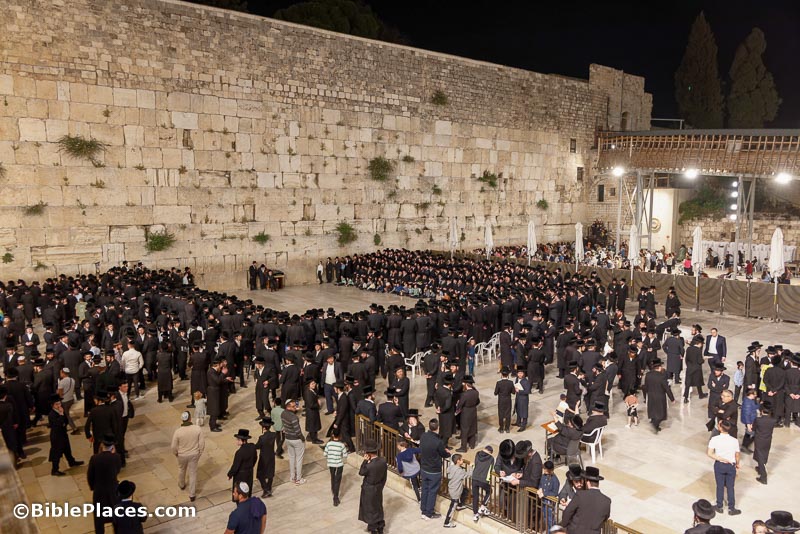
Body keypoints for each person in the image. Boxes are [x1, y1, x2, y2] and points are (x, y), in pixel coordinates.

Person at [87, 433, 122, 534]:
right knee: (115, 515)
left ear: (102, 445)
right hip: (113, 490)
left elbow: (90, 475)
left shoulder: (94, 458)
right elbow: (118, 470)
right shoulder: (116, 457)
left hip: (99, 491)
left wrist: (93, 487)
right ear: (113, 446)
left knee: (99, 518)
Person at [560, 466, 611, 534]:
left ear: (587, 482)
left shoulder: (580, 495)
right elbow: (605, 518)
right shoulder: (607, 501)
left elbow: (568, 512)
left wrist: (564, 525)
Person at [706, 420, 741, 515]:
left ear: (720, 428)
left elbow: (709, 453)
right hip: (731, 465)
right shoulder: (734, 441)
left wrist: (720, 458)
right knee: (730, 487)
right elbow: (737, 454)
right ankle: (731, 508)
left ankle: (719, 506)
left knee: (720, 486)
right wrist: (737, 464)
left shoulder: (715, 439)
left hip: (720, 465)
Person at [419, 418, 450, 520]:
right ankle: (429, 513)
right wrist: (447, 453)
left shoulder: (423, 436)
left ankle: (423, 510)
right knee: (432, 491)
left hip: (424, 468)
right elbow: (443, 454)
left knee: (425, 489)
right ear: (438, 428)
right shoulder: (438, 442)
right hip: (434, 471)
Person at [171, 411, 205, 502]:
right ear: (190, 418)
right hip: (194, 454)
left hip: (182, 455)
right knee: (193, 473)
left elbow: (173, 446)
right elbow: (202, 443)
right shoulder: (197, 429)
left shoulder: (178, 432)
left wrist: (176, 453)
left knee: (181, 469)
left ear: (182, 420)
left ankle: (181, 485)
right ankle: (192, 494)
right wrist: (200, 452)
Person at [47, 394, 84, 475]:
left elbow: (66, 421)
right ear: (52, 405)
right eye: (57, 404)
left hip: (63, 433)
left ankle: (71, 462)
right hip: (56, 436)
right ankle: (54, 470)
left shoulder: (61, 410)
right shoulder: (52, 414)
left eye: (59, 403)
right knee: (57, 453)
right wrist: (61, 416)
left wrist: (63, 419)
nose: (59, 405)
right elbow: (58, 424)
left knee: (67, 449)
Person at [358, 439, 387, 534]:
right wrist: (380, 487)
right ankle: (380, 526)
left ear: (369, 453)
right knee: (378, 506)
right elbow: (384, 477)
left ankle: (373, 528)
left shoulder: (369, 466)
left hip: (369, 489)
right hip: (378, 487)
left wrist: (365, 461)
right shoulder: (383, 461)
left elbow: (361, 472)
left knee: (370, 509)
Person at [281, 398, 306, 484]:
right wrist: (302, 438)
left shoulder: (283, 413)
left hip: (288, 438)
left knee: (291, 458)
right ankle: (299, 478)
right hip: (296, 439)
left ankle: (292, 477)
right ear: (288, 407)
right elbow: (298, 431)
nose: (295, 407)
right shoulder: (294, 417)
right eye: (293, 406)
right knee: (299, 459)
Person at [228, 429, 257, 498]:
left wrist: (230, 474)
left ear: (243, 441)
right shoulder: (252, 447)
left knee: (240, 493)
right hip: (249, 473)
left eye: (238, 440)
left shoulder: (239, 452)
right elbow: (255, 458)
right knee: (247, 491)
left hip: (240, 476)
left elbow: (235, 466)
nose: (237, 441)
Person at [752, 400, 776, 485]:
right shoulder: (773, 420)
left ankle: (763, 477)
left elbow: (753, 428)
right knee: (765, 454)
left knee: (760, 456)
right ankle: (760, 467)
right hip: (768, 439)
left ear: (762, 411)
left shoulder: (758, 420)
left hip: (759, 440)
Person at [324, 431, 349, 506]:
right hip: (339, 465)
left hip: (331, 464)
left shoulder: (328, 444)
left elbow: (325, 454)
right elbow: (345, 455)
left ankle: (333, 489)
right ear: (340, 436)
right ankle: (335, 497)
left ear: (332, 435)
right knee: (338, 480)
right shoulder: (342, 445)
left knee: (333, 477)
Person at [471, 444, 494, 522]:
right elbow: (490, 469)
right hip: (483, 480)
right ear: (490, 452)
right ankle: (483, 507)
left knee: (475, 496)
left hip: (474, 477)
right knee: (489, 491)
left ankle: (475, 514)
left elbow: (475, 464)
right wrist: (488, 479)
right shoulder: (491, 458)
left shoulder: (477, 454)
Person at [456, 374, 480, 451]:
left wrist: (457, 405)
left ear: (466, 384)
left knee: (464, 429)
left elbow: (460, 405)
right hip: (473, 411)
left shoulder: (464, 394)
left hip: (466, 412)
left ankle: (463, 447)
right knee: (472, 427)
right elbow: (478, 401)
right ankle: (472, 444)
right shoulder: (476, 392)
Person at [443, 453, 468, 528]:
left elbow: (448, 469)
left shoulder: (451, 467)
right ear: (458, 461)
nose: (463, 460)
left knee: (465, 490)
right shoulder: (460, 471)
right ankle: (447, 522)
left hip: (452, 489)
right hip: (456, 492)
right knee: (452, 507)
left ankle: (460, 505)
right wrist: (472, 467)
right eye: (462, 459)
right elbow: (468, 474)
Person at [255, 417, 277, 498]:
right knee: (270, 473)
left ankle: (266, 489)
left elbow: (257, 446)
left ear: (263, 427)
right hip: (271, 456)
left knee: (260, 475)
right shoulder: (273, 435)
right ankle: (269, 488)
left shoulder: (262, 438)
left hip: (264, 458)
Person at [56, 368, 78, 434]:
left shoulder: (62, 382)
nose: (60, 374)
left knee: (66, 415)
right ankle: (65, 427)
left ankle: (74, 428)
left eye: (61, 373)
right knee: (65, 414)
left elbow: (60, 394)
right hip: (71, 399)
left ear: (63, 373)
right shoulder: (72, 380)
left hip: (64, 400)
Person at [494, 366, 515, 433]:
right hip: (508, 399)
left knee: (501, 413)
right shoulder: (510, 382)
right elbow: (513, 392)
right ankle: (507, 428)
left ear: (501, 374)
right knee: (508, 413)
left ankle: (501, 428)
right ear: (508, 374)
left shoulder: (498, 383)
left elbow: (495, 393)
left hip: (501, 400)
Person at [513, 365, 531, 431]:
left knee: (524, 412)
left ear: (523, 374)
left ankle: (523, 425)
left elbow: (527, 391)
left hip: (523, 399)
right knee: (518, 409)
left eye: (521, 373)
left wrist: (519, 391)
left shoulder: (526, 381)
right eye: (519, 373)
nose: (520, 374)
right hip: (518, 397)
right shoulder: (517, 379)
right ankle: (518, 422)